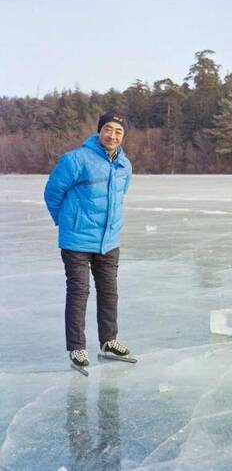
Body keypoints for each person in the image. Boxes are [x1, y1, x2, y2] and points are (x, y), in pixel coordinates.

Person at [44, 110, 134, 372]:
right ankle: (76, 347)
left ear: (123, 136)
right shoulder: (76, 159)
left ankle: (109, 342)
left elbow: (120, 195)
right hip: (76, 242)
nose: (112, 135)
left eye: (118, 131)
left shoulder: (124, 165)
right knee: (79, 292)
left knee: (109, 293)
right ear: (99, 131)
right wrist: (67, 222)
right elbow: (52, 192)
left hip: (108, 241)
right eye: (108, 129)